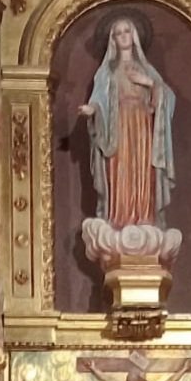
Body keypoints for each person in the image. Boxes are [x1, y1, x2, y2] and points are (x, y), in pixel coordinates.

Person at [77, 14, 176, 229]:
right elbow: (99, 98)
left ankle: (144, 215)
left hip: (142, 125)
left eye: (127, 31)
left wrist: (148, 82)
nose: (123, 36)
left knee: (142, 168)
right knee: (121, 169)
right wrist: (92, 109)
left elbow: (168, 98)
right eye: (118, 33)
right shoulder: (108, 71)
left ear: (134, 36)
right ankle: (120, 217)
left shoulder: (146, 69)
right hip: (118, 126)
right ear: (113, 39)